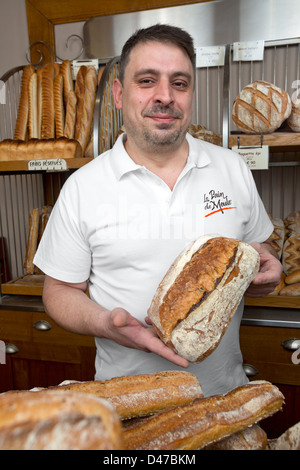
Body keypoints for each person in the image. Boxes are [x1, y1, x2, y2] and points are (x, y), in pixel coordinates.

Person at [34, 24, 282, 397]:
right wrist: (105, 322)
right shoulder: (83, 188)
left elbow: (259, 254)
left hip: (225, 398)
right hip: (129, 403)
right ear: (119, 94)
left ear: (191, 94)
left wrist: (268, 274)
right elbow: (59, 290)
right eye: (147, 81)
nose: (165, 96)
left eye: (179, 83)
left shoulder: (232, 168)